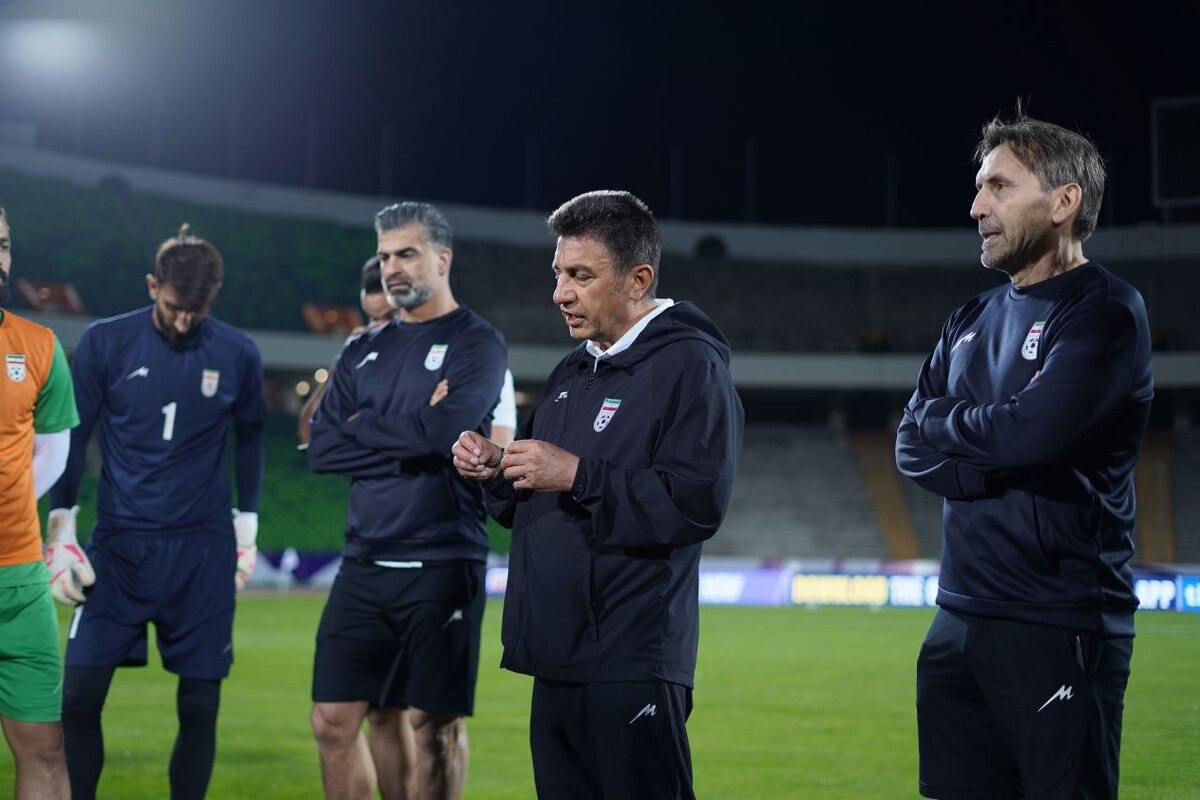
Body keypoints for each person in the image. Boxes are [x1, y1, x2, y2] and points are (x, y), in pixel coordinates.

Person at [453, 190, 744, 799]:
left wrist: (577, 474)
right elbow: (537, 493)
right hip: (555, 654)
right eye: (558, 274)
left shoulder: (690, 366)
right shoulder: (571, 371)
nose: (560, 293)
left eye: (580, 276)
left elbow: (695, 503)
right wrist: (497, 470)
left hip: (631, 655)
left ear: (638, 281)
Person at [895, 111, 1152, 799]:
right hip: (954, 620)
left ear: (1063, 201)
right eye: (980, 187)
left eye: (999, 187)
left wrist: (956, 428)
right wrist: (997, 452)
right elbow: (909, 443)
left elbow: (1029, 433)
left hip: (1057, 623)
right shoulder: (969, 318)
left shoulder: (1105, 312)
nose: (977, 206)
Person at [48, 224, 266, 800]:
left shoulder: (238, 352)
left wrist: (247, 527)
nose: (183, 322)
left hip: (202, 551)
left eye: (196, 311)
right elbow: (74, 434)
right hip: (119, 548)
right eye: (173, 308)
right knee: (78, 697)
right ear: (152, 286)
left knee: (199, 705)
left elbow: (250, 440)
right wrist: (61, 527)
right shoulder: (105, 342)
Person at [307, 201, 507, 800]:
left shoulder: (478, 343)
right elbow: (321, 448)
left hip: (442, 559)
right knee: (331, 721)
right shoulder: (362, 348)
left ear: (442, 259)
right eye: (386, 255)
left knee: (433, 729)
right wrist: (419, 427)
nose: (393, 267)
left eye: (407, 254)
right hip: (363, 562)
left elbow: (443, 433)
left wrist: (367, 425)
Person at [0, 205, 78, 799]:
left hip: (20, 578)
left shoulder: (39, 345)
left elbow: (52, 451)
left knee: (46, 748)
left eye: (2, 246)